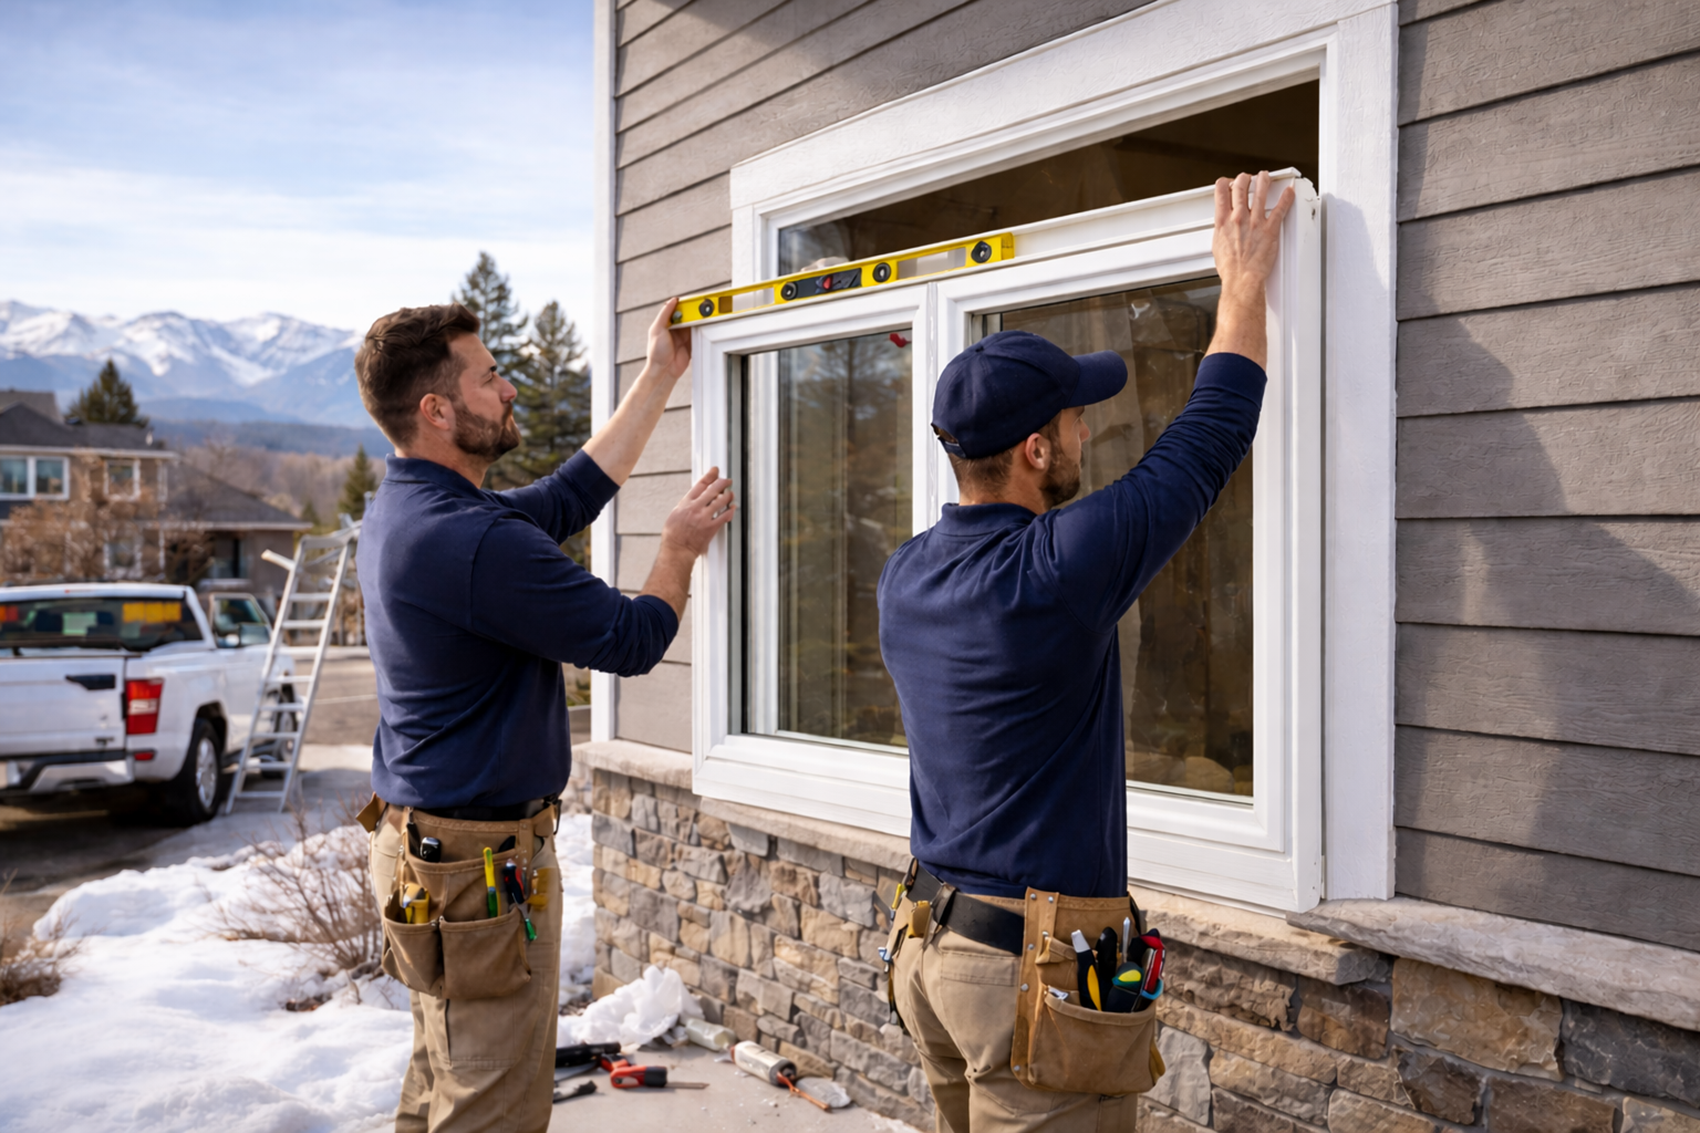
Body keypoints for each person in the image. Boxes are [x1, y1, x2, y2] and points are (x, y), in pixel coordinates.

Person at [877, 171, 1294, 1132]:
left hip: (930, 955)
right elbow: (1210, 436)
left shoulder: (907, 574)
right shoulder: (1054, 571)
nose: (1088, 427)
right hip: (1025, 982)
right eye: (1073, 419)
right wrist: (1242, 283)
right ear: (1033, 448)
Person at [351, 297, 732, 1133]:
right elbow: (630, 639)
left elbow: (568, 496)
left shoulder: (408, 510)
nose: (510, 387)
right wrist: (676, 550)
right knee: (489, 1103)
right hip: (475, 870)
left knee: (444, 1074)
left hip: (425, 850)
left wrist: (661, 373)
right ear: (438, 410)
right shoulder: (471, 541)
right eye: (490, 377)